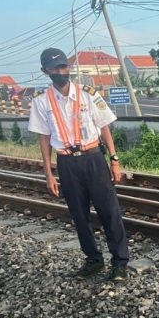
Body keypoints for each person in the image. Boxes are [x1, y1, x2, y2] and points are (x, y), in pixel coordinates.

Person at [27, 48, 129, 281]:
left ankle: (120, 263)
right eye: (55, 69)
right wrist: (49, 174)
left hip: (93, 158)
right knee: (79, 215)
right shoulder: (42, 102)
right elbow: (44, 139)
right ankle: (93, 260)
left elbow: (104, 128)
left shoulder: (88, 94)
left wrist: (114, 160)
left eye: (64, 67)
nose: (61, 72)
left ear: (69, 67)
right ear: (45, 71)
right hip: (67, 163)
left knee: (109, 212)